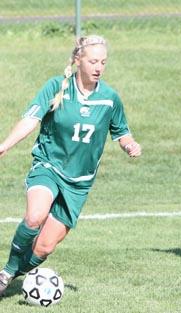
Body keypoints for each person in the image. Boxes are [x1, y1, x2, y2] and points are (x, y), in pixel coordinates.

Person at [0, 35, 141, 295]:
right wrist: (5, 145)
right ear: (78, 60)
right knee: (34, 216)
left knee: (44, 248)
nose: (98, 67)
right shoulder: (57, 87)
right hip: (49, 166)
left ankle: (16, 274)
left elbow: (121, 131)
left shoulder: (110, 98)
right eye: (93, 61)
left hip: (79, 182)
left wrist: (129, 144)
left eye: (103, 62)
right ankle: (6, 273)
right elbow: (31, 119)